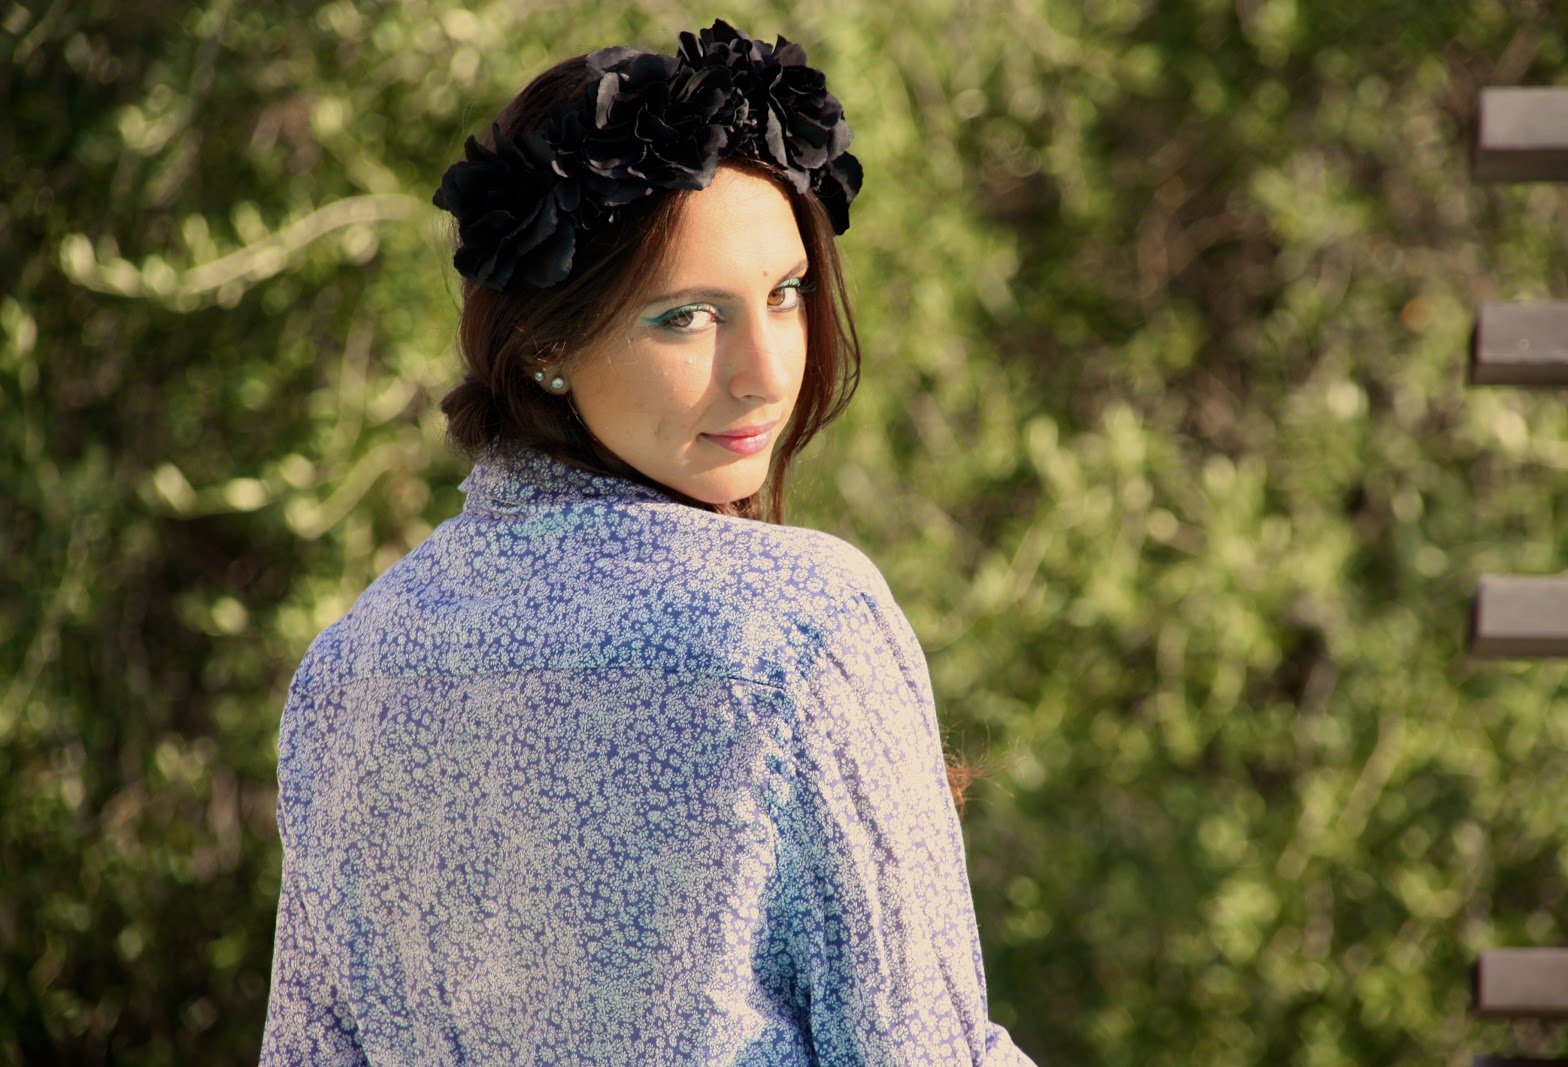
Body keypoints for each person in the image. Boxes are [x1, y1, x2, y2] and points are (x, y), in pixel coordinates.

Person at [260, 20, 1036, 1066]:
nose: (769, 371)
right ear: (544, 342)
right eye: (686, 317)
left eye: (786, 293)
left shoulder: (348, 670)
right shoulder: (800, 626)